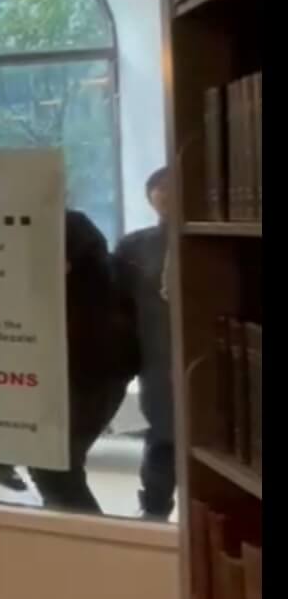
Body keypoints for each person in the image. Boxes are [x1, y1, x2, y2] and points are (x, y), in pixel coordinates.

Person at [25, 209, 138, 513]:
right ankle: (70, 531)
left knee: (55, 465)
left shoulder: (90, 270)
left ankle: (88, 539)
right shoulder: (92, 267)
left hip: (92, 371)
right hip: (79, 369)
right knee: (51, 465)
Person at [116, 167, 174, 519]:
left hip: (215, 357)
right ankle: (154, 507)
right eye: (159, 188)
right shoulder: (135, 246)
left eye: (174, 187)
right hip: (156, 358)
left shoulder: (214, 242)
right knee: (163, 433)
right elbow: (116, 304)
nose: (166, 194)